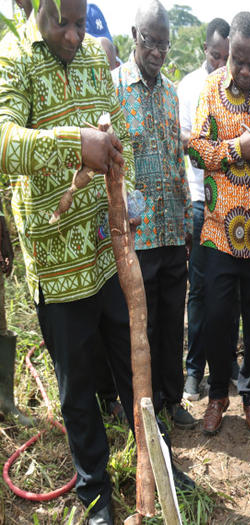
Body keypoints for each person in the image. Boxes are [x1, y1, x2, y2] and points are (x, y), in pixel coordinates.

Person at [0, 1, 192, 523]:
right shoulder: (13, 59)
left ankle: (160, 463)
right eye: (62, 22)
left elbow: (117, 141)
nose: (73, 35)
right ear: (38, 9)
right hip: (58, 267)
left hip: (109, 256)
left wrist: (123, 194)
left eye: (82, 22)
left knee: (136, 371)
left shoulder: (91, 61)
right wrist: (73, 145)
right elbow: (3, 142)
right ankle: (96, 494)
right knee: (79, 389)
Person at [189, 11, 250, 436]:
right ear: (227, 54)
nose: (245, 71)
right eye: (238, 61)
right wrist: (235, 148)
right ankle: (216, 398)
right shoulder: (210, 91)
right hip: (216, 235)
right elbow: (195, 149)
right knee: (217, 320)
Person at [112, 0, 194, 429]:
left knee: (170, 323)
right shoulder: (113, 90)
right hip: (136, 238)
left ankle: (172, 399)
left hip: (170, 230)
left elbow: (175, 160)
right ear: (133, 36)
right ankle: (141, 409)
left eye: (164, 44)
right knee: (139, 329)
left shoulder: (170, 93)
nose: (158, 52)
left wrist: (185, 222)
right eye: (150, 42)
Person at [178, 17, 233, 402]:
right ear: (205, 51)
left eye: (226, 58)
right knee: (199, 291)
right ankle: (194, 372)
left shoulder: (237, 89)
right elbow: (184, 141)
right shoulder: (189, 88)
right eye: (216, 56)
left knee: (230, 296)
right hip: (200, 203)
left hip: (230, 207)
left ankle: (224, 371)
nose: (221, 64)